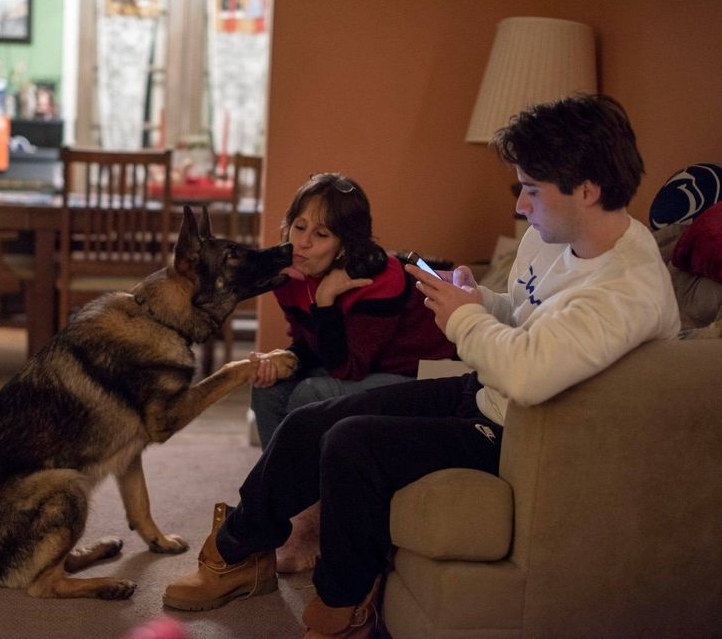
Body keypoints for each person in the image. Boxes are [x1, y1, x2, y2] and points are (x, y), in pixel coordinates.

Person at [162, 94, 680, 639]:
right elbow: (529, 318)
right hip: (486, 388)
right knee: (309, 423)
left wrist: (464, 322)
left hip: (524, 430)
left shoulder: (624, 290)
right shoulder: (555, 237)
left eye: (531, 190)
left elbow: (530, 373)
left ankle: (342, 607)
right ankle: (237, 552)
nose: (522, 207)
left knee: (351, 445)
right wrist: (481, 301)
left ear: (588, 190)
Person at [248, 172, 456, 572]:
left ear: (346, 243)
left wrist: (325, 300)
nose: (303, 242)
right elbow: (312, 346)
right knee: (269, 390)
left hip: (426, 376)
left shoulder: (380, 279)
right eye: (299, 226)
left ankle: (313, 521)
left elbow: (349, 366)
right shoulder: (292, 276)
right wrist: (282, 358)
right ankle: (292, 505)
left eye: (321, 233)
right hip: (368, 367)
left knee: (309, 396)